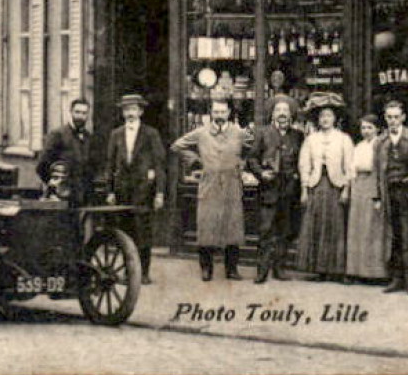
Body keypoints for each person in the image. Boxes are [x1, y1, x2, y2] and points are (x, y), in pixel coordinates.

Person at [171, 99, 250, 281]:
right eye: (216, 112)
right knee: (207, 226)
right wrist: (196, 161)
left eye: (223, 112)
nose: (219, 115)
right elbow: (177, 146)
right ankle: (206, 269)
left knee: (233, 227)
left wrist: (241, 162)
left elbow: (254, 147)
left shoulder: (239, 133)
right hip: (209, 183)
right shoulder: (201, 133)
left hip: (232, 183)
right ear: (211, 113)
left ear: (229, 112)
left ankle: (232, 269)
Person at [104, 93, 165, 284]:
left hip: (144, 192)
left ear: (140, 111)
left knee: (143, 233)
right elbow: (110, 165)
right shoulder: (116, 134)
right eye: (126, 110)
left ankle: (143, 273)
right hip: (123, 192)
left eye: (133, 109)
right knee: (125, 233)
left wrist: (160, 193)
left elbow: (159, 164)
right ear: (123, 113)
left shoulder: (151, 134)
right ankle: (128, 272)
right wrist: (110, 191)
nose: (130, 113)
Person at [246, 96, 304, 283]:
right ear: (272, 114)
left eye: (286, 111)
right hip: (268, 191)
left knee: (285, 231)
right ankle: (261, 270)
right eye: (278, 111)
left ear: (291, 115)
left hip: (289, 192)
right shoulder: (262, 133)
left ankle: (279, 269)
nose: (282, 114)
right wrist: (261, 173)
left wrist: (297, 176)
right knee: (265, 231)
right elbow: (252, 159)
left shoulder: (297, 136)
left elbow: (302, 161)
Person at [297, 104, 353, 281]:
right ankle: (318, 269)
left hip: (335, 187)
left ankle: (335, 269)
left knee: (334, 226)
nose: (325, 119)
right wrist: (304, 189)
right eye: (322, 116)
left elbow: (350, 166)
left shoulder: (344, 139)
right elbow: (304, 165)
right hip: (316, 186)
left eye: (329, 116)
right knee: (316, 225)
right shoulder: (311, 140)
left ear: (335, 119)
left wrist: (346, 189)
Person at [376, 99, 408, 294]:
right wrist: (378, 197)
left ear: (403, 117)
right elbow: (377, 171)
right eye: (389, 117)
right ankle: (396, 278)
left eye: (396, 117)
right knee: (394, 237)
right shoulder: (381, 141)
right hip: (389, 193)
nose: (393, 121)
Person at [344, 114, 390, 282]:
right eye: (363, 128)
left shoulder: (381, 145)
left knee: (373, 229)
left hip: (373, 184)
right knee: (357, 228)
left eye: (370, 127)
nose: (366, 131)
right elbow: (351, 168)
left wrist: (378, 193)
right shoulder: (358, 146)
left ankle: (374, 273)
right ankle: (356, 270)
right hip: (358, 186)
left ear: (377, 129)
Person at [37, 97, 99, 205]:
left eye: (84, 113)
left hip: (82, 196)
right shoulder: (58, 134)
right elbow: (42, 164)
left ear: (88, 115)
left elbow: (92, 165)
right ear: (71, 112)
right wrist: (52, 184)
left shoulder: (88, 137)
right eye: (77, 112)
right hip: (61, 196)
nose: (80, 116)